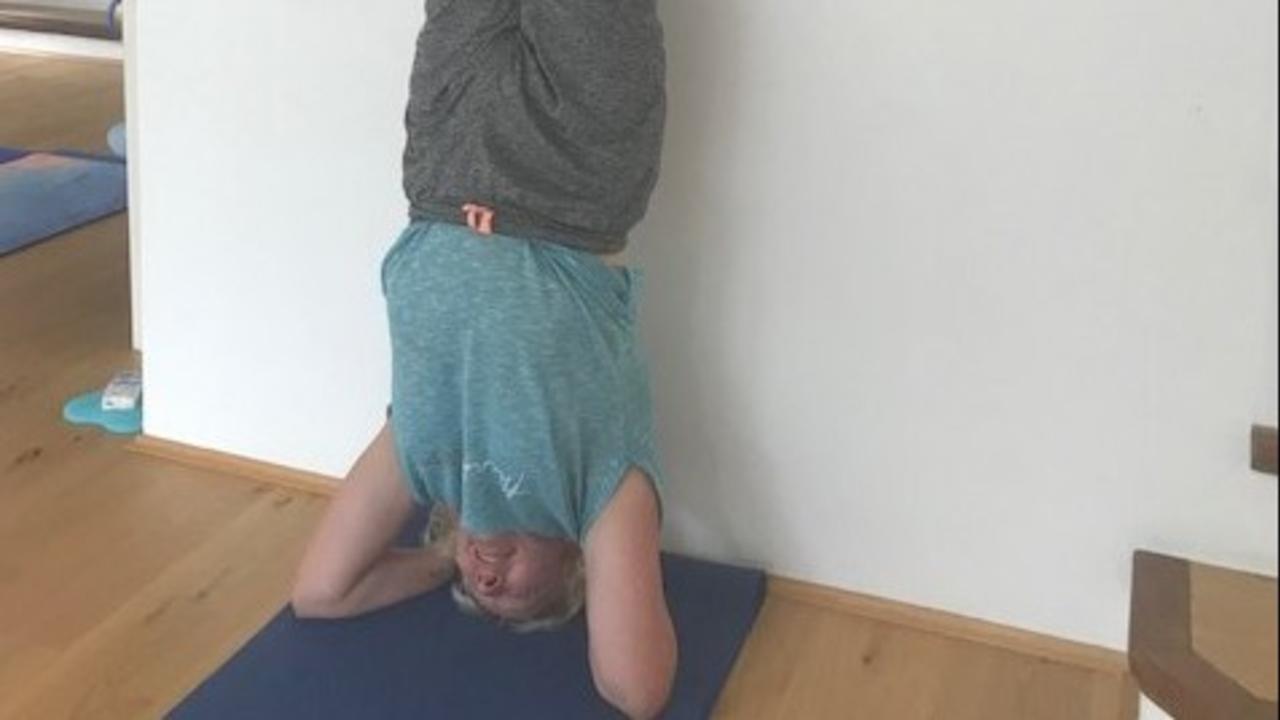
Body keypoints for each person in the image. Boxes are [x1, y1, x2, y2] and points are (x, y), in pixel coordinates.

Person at [290, 0, 675, 717]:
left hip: (443, 165)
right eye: (520, 598)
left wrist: (440, 562)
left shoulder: (425, 459)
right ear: (576, 569)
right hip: (578, 179)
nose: (488, 582)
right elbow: (637, 688)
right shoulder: (599, 493)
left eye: (476, 593)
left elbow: (320, 593)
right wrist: (601, 564)